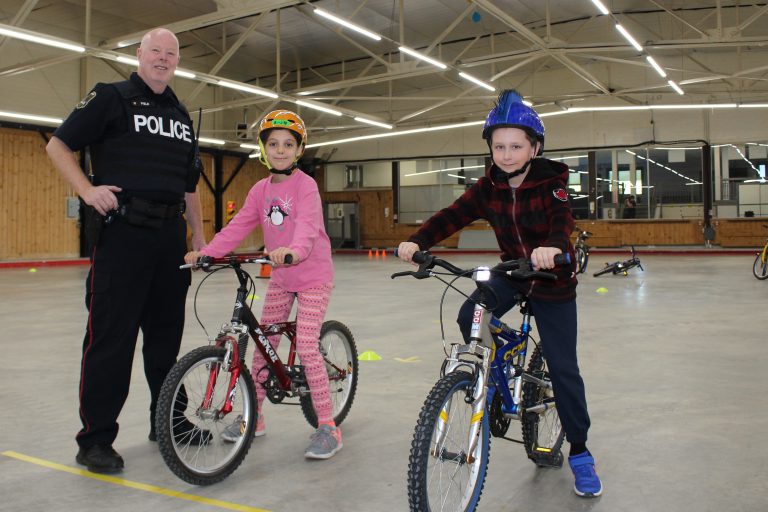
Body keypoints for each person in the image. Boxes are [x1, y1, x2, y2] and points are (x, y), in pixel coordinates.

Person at [396, 90, 603, 497]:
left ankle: (580, 452)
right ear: (490, 147)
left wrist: (555, 249)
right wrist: (417, 241)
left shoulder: (552, 184)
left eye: (516, 146)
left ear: (534, 147)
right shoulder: (487, 187)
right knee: (469, 314)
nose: (506, 155)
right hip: (510, 272)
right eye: (498, 146)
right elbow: (452, 215)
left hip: (551, 279)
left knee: (563, 370)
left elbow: (562, 223)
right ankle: (500, 363)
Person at [46, 27, 206, 474]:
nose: (162, 58)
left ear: (176, 61)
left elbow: (189, 185)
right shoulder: (110, 97)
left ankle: (168, 420)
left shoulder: (179, 113)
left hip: (170, 240)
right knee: (110, 341)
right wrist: (86, 189)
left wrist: (200, 236)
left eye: (170, 53)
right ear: (139, 54)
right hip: (123, 236)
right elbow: (58, 144)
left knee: (165, 341)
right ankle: (95, 439)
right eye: (155, 50)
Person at [184, 109, 341, 460]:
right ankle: (253, 418)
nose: (281, 150)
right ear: (263, 148)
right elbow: (239, 227)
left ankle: (328, 425)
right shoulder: (260, 190)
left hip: (312, 275)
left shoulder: (306, 186)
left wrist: (293, 251)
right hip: (283, 276)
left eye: (288, 144)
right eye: (273, 144)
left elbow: (308, 229)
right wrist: (207, 253)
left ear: (299, 150)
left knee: (308, 345)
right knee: (260, 344)